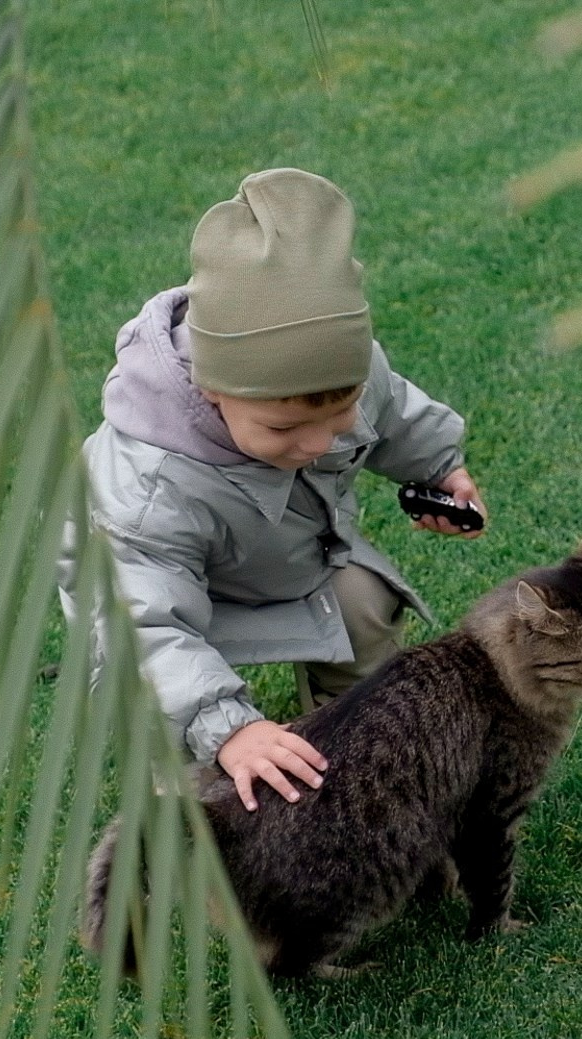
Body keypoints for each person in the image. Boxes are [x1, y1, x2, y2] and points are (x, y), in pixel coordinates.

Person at [66, 168, 484, 811]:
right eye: (285, 427)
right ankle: (188, 794)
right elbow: (143, 625)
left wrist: (438, 469)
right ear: (212, 390)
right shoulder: (150, 487)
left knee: (364, 600)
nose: (319, 443)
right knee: (154, 689)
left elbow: (394, 409)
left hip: (277, 558)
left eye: (338, 415)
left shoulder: (344, 374)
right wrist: (231, 730)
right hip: (141, 596)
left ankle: (352, 733)